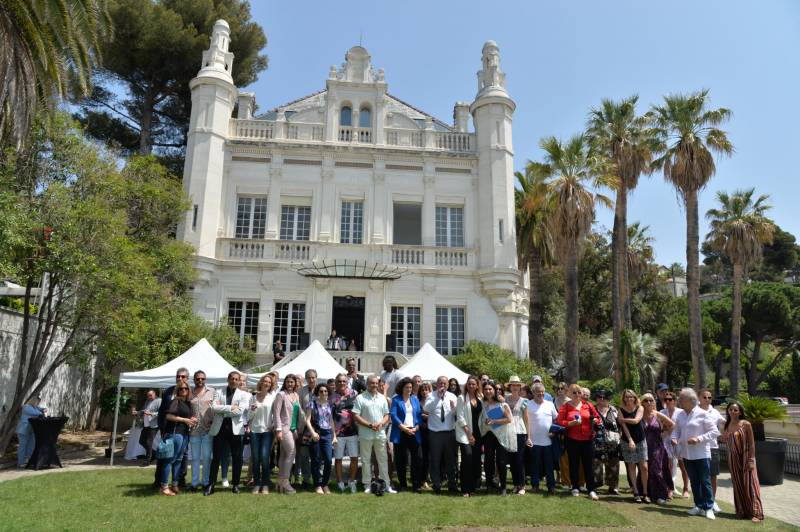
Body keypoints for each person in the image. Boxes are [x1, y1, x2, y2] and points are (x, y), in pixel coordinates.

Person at [673, 387, 720, 520]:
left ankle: (709, 507)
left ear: (689, 400)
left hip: (701, 454)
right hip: (686, 454)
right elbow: (676, 430)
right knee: (694, 481)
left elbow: (715, 432)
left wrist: (698, 439)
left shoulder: (702, 413)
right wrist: (674, 438)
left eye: (681, 398)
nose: (679, 400)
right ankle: (698, 506)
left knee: (705, 481)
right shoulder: (680, 414)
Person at [205, 371, 249, 496]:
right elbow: (214, 407)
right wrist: (230, 408)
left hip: (236, 430)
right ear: (228, 379)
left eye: (236, 379)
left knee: (237, 459)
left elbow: (240, 411)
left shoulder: (244, 394)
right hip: (220, 429)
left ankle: (235, 485)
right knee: (216, 458)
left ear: (239, 380)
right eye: (232, 379)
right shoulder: (218, 392)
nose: (234, 381)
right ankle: (211, 485)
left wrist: (222, 409)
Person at [352, 375, 395, 493]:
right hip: (366, 433)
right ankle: (367, 485)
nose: (374, 385)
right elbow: (356, 415)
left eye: (376, 383)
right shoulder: (360, 398)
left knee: (383, 459)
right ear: (367, 384)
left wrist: (381, 423)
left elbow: (387, 414)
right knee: (366, 459)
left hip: (380, 433)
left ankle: (386, 484)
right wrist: (370, 425)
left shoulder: (382, 398)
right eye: (372, 383)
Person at [722, 401, 764, 522]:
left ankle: (756, 513)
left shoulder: (745, 424)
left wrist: (751, 459)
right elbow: (726, 441)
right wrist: (723, 438)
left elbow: (751, 443)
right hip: (733, 458)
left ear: (740, 412)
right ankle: (741, 511)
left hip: (746, 457)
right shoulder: (727, 424)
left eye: (735, 410)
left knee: (751, 484)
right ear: (728, 411)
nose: (733, 412)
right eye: (731, 409)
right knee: (738, 484)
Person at [557, 383, 600, 500]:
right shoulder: (565, 406)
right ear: (569, 394)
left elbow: (598, 418)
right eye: (574, 392)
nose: (577, 394)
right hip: (572, 439)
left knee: (588, 465)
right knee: (573, 464)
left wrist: (596, 420)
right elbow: (559, 421)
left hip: (588, 439)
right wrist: (570, 423)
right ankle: (575, 487)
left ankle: (591, 489)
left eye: (579, 392)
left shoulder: (588, 405)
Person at [155, 367, 190, 488]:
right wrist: (161, 428)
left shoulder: (188, 395)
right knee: (166, 456)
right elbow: (162, 412)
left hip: (184, 432)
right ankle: (160, 482)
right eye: (178, 376)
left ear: (187, 379)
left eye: (183, 376)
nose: (180, 378)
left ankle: (179, 481)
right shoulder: (169, 391)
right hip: (169, 430)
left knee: (181, 457)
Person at [159, 384, 197, 496]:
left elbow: (187, 417)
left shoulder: (188, 403)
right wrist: (185, 420)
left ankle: (175, 485)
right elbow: (168, 416)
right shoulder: (176, 401)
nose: (184, 390)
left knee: (179, 460)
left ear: (189, 390)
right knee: (170, 460)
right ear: (177, 391)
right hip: (175, 433)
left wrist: (191, 419)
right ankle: (164, 487)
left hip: (185, 434)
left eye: (186, 388)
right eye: (181, 389)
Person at [479, 381, 516, 495]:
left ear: (494, 390)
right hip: (488, 435)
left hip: (501, 436)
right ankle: (489, 485)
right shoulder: (482, 404)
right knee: (488, 461)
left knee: (501, 461)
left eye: (490, 389)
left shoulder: (502, 404)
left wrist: (494, 421)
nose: (488, 391)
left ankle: (503, 487)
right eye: (486, 389)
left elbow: (509, 419)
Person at [423, 375, 458, 493]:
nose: (442, 386)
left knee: (451, 461)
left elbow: (456, 414)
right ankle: (436, 484)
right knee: (435, 460)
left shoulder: (452, 396)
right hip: (435, 433)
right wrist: (437, 397)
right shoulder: (431, 396)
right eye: (440, 383)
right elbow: (426, 409)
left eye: (445, 383)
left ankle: (452, 484)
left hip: (449, 433)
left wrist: (454, 410)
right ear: (436, 384)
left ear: (448, 385)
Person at [641, 392, 675, 504]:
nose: (649, 402)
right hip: (644, 447)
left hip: (657, 447)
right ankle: (648, 494)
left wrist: (664, 435)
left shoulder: (657, 414)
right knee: (646, 470)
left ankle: (661, 495)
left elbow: (672, 424)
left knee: (657, 471)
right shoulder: (639, 414)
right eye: (646, 400)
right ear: (642, 403)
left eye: (651, 400)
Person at [390, 377, 423, 492]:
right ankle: (403, 484)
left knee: (417, 459)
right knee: (401, 460)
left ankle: (415, 485)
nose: (409, 389)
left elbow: (418, 415)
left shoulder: (415, 399)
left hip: (414, 431)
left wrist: (417, 427)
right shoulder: (396, 400)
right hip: (401, 432)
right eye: (407, 387)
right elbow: (393, 416)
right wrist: (404, 428)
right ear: (401, 388)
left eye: (410, 387)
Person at [526, 382, 558, 494]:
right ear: (533, 393)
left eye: (542, 392)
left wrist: (554, 432)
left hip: (548, 441)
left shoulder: (550, 404)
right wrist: (528, 437)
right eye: (538, 392)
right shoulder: (528, 404)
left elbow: (556, 420)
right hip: (534, 441)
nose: (541, 394)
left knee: (549, 466)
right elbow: (525, 421)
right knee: (534, 465)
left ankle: (551, 486)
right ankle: (535, 486)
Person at [304, 383, 337, 494]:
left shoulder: (329, 405)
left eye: (326, 391)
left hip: (327, 434)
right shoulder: (311, 404)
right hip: (316, 433)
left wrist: (334, 436)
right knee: (316, 460)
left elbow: (331, 421)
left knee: (328, 460)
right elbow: (307, 420)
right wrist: (312, 433)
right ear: (317, 392)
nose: (324, 393)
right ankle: (317, 484)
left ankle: (325, 484)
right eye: (321, 391)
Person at [273, 374, 302, 494]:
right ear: (285, 383)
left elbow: (299, 413)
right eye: (288, 382)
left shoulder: (296, 395)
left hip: (293, 429)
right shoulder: (281, 395)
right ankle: (285, 481)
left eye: (292, 382)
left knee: (284, 455)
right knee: (292, 452)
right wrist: (278, 430)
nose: (290, 384)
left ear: (295, 384)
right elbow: (276, 413)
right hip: (284, 429)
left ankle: (280, 482)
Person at [619, 389, 649, 503]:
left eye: (631, 396)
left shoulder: (640, 407)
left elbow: (636, 421)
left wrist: (623, 419)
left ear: (635, 397)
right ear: (624, 398)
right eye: (626, 397)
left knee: (644, 467)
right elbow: (624, 427)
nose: (629, 398)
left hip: (641, 439)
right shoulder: (621, 409)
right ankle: (636, 492)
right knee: (631, 466)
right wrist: (630, 440)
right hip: (627, 441)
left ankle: (645, 493)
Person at [331, 373, 359, 493]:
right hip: (338, 433)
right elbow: (329, 416)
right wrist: (333, 434)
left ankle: (352, 481)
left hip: (352, 431)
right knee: (338, 458)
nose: (342, 383)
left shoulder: (354, 393)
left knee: (354, 457)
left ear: (347, 382)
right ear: (336, 383)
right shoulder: (331, 396)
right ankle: (340, 482)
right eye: (339, 381)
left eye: (344, 381)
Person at [249, 374, 277, 494]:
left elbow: (276, 414)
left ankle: (265, 483)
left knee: (265, 457)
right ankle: (256, 483)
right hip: (255, 430)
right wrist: (252, 410)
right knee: (255, 458)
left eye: (269, 382)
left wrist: (274, 425)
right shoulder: (253, 397)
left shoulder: (273, 397)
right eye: (265, 381)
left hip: (267, 431)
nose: (266, 383)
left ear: (271, 385)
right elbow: (248, 416)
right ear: (261, 382)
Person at [660, 390, 690, 499]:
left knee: (683, 466)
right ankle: (670, 488)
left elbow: (684, 428)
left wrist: (677, 437)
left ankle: (686, 488)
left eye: (670, 399)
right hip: (666, 441)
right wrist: (666, 429)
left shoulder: (681, 412)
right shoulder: (662, 412)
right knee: (669, 466)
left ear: (674, 400)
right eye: (665, 399)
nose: (667, 401)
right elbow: (661, 428)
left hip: (680, 442)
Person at [456, 376, 483, 497]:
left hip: (479, 433)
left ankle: (472, 487)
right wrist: (469, 434)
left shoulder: (481, 398)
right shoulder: (462, 398)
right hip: (465, 433)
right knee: (467, 458)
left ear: (477, 385)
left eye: (474, 384)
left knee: (475, 460)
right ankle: (465, 489)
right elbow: (460, 417)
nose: (471, 386)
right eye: (469, 384)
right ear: (466, 385)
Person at [699, 389, 724, 512]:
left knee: (712, 476)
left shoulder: (715, 412)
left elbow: (725, 422)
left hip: (713, 447)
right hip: (699, 448)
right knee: (700, 477)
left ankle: (712, 501)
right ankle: (702, 501)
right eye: (705, 397)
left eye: (709, 397)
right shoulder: (694, 412)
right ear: (699, 398)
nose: (707, 400)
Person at [189, 372, 215, 492]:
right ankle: (194, 483)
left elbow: (217, 408)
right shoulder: (189, 392)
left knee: (206, 458)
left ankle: (205, 482)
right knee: (194, 458)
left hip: (208, 430)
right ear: (194, 379)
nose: (200, 380)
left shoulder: (212, 392)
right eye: (198, 378)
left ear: (205, 379)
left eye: (202, 378)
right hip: (194, 430)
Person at [592, 390, 621, 495]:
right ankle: (595, 485)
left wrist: (619, 437)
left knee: (613, 463)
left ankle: (613, 487)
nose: (602, 399)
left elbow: (620, 425)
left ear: (608, 399)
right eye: (599, 397)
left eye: (604, 397)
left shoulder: (613, 410)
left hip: (612, 442)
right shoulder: (593, 409)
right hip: (597, 441)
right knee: (596, 464)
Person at [505, 376, 529, 495]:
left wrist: (529, 437)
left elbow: (526, 419)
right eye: (513, 385)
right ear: (509, 387)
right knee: (512, 460)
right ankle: (515, 484)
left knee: (519, 460)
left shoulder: (524, 401)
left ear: (520, 387)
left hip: (520, 432)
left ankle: (522, 485)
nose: (515, 387)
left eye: (517, 385)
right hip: (508, 432)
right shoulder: (505, 399)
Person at [296, 369, 318, 489]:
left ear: (316, 378)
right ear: (306, 379)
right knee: (304, 454)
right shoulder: (301, 391)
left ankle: (317, 479)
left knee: (316, 455)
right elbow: (299, 409)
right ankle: (306, 479)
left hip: (318, 428)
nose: (311, 380)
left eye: (313, 377)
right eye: (309, 378)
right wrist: (305, 422)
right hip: (304, 427)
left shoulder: (321, 390)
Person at [133, 390, 160, 466]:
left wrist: (151, 413)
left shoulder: (159, 401)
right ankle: (154, 454)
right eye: (148, 395)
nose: (149, 397)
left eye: (150, 395)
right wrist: (137, 412)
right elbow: (144, 410)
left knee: (149, 442)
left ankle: (147, 460)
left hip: (154, 425)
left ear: (154, 394)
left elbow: (161, 412)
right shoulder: (147, 401)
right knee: (141, 441)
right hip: (146, 424)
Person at [15, 397, 43, 467]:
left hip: (31, 429)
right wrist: (41, 411)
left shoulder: (35, 408)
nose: (38, 404)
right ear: (34, 401)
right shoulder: (26, 407)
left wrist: (42, 409)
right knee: (23, 446)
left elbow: (40, 409)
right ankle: (20, 462)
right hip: (23, 429)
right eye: (37, 402)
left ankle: (30, 461)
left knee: (31, 446)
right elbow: (35, 413)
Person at [417, 381, 433, 489]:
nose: (424, 392)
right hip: (419, 432)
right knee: (420, 457)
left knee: (428, 457)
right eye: (422, 390)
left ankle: (425, 479)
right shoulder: (417, 402)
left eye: (426, 389)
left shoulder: (433, 402)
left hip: (431, 432)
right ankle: (419, 479)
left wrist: (425, 415)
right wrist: (424, 415)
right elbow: (416, 415)